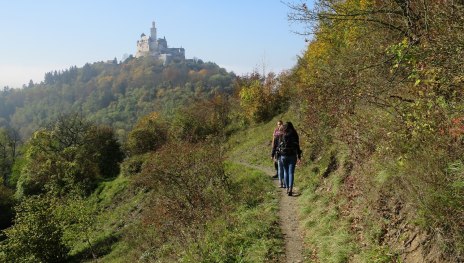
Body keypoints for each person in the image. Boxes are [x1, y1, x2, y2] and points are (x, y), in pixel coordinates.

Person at [277, 122, 302, 196]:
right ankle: (291, 188)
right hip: (292, 155)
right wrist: (299, 156)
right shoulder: (294, 134)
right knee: (291, 172)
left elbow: (279, 146)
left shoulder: (282, 134)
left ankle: (287, 188)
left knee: (285, 171)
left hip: (283, 155)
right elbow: (297, 146)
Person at [271, 121, 285, 188]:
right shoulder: (276, 130)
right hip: (277, 149)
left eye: (280, 124)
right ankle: (278, 175)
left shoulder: (284, 130)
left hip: (282, 151)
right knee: (276, 163)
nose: (279, 125)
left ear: (282, 124)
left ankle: (283, 182)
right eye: (278, 124)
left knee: (282, 167)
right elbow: (274, 138)